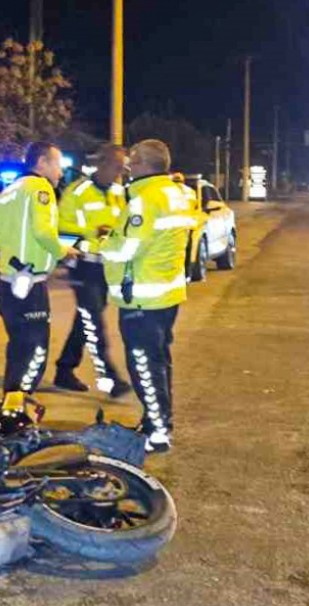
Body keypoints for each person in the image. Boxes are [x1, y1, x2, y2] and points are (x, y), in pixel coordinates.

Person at [100, 139, 197, 454]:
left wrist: (104, 243)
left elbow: (127, 247)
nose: (128, 167)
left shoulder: (144, 200)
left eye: (132, 162)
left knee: (144, 364)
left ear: (142, 164)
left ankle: (157, 432)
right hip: (166, 294)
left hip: (140, 296)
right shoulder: (179, 194)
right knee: (158, 361)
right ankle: (157, 421)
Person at [0, 141, 79, 395]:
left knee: (19, 348)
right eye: (57, 165)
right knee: (34, 350)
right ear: (42, 163)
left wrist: (15, 243)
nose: (60, 172)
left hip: (6, 282)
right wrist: (64, 251)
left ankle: (11, 405)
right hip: (29, 283)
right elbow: (44, 232)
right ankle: (18, 410)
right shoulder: (40, 189)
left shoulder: (13, 189)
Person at [52, 144, 132, 397]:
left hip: (108, 268)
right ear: (103, 164)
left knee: (85, 320)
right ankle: (110, 377)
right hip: (84, 267)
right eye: (118, 167)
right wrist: (94, 240)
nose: (121, 173)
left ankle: (64, 369)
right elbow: (64, 235)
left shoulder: (120, 193)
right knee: (94, 322)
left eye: (123, 168)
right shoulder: (77, 193)